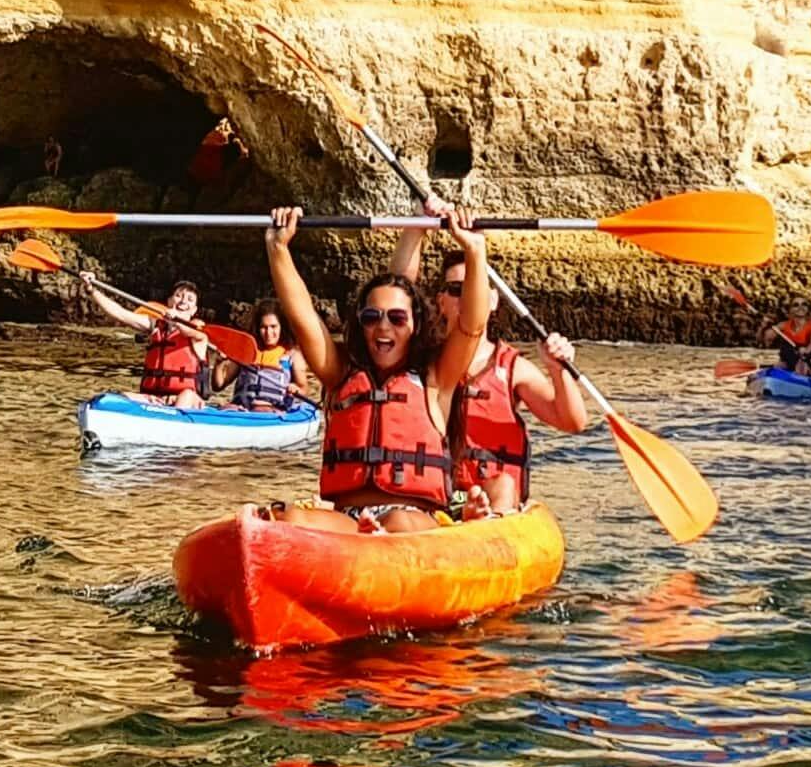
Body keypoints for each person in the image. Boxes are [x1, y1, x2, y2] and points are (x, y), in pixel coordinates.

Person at [264, 204, 492, 533]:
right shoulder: (339, 372)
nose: (383, 327)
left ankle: (382, 541)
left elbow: (472, 325)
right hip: (348, 518)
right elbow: (303, 318)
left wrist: (474, 250)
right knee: (287, 516)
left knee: (397, 521)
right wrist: (278, 246)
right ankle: (364, 541)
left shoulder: (435, 378)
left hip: (411, 517)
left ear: (415, 326)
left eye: (397, 318)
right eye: (372, 317)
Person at [389, 211, 589, 516]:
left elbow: (572, 421)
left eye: (473, 285)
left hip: (491, 498)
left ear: (492, 300)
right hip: (434, 496)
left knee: (504, 485)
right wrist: (416, 227)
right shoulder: (422, 358)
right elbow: (395, 293)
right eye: (456, 290)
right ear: (441, 300)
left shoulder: (512, 368)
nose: (466, 296)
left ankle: (485, 522)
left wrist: (558, 370)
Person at [79, 273, 211, 408]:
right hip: (156, 398)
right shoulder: (155, 327)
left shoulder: (199, 335)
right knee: (115, 399)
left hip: (189, 400)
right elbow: (120, 313)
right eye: (179, 296)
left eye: (190, 299)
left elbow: (187, 331)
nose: (183, 301)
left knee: (186, 395)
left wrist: (177, 319)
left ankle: (175, 423)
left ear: (194, 310)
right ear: (170, 302)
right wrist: (91, 290)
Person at [216, 299, 311, 412]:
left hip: (271, 409)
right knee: (226, 409)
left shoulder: (292, 355)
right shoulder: (245, 351)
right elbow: (218, 385)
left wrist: (295, 389)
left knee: (260, 409)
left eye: (273, 326)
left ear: (282, 327)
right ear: (258, 328)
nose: (268, 333)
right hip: (240, 408)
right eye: (264, 327)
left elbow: (304, 389)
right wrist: (219, 363)